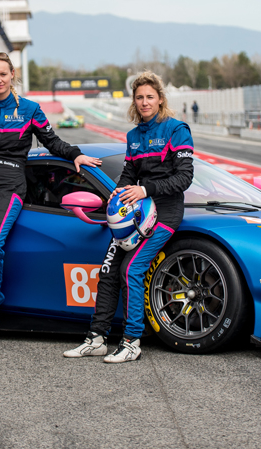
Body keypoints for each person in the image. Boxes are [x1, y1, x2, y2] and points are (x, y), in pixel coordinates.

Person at [0, 52, 102, 346]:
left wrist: (75, 155)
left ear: (12, 75)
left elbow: (52, 141)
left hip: (9, 185)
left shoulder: (30, 109)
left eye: (3, 74)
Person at [64, 71, 193, 363]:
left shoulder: (176, 129)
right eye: (139, 98)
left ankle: (132, 341)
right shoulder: (134, 136)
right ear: (134, 102)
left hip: (165, 213)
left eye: (150, 97)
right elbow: (129, 174)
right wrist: (118, 192)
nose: (145, 102)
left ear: (160, 99)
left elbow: (185, 178)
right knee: (108, 271)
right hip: (136, 213)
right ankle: (96, 339)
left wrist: (144, 190)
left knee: (131, 270)